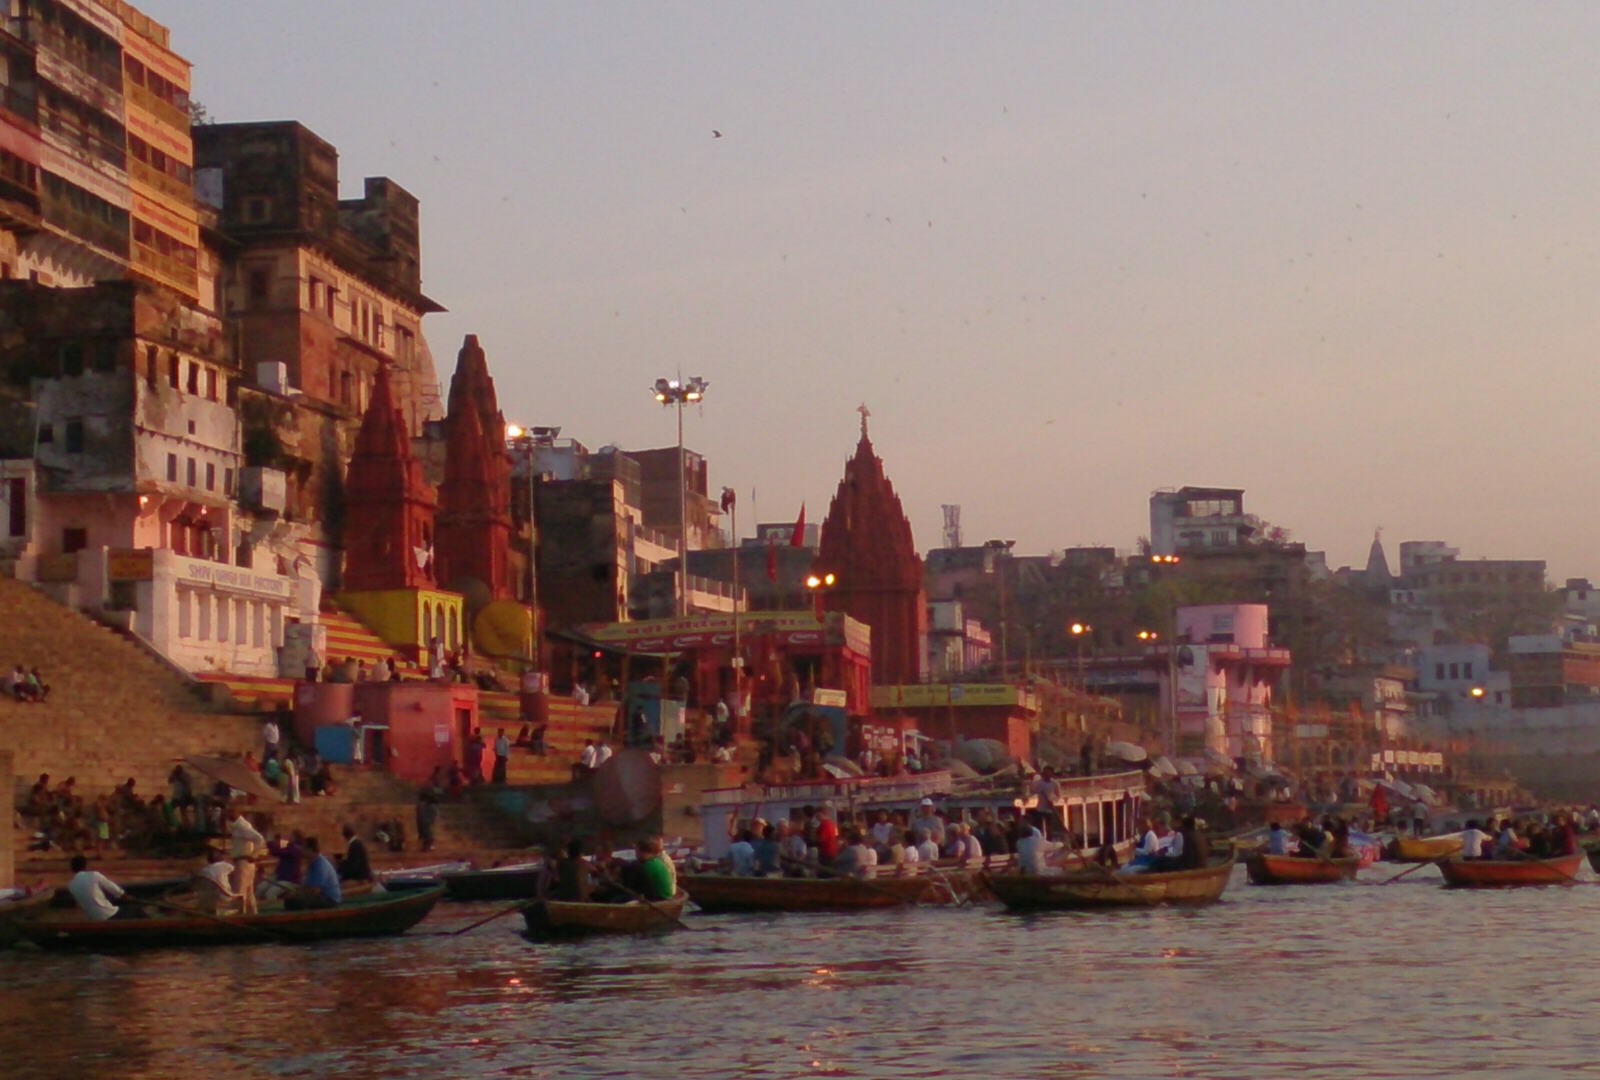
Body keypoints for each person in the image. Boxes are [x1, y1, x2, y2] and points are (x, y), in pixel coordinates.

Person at [66, 854, 129, 920]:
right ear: (85, 865)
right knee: (138, 911)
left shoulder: (71, 885)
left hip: (95, 918)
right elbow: (114, 889)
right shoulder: (94, 875)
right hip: (109, 914)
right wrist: (125, 896)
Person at [291, 837, 342, 909]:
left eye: (304, 848)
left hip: (330, 900)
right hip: (320, 897)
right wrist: (296, 890)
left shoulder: (320, 864)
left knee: (294, 903)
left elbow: (316, 890)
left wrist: (299, 894)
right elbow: (307, 886)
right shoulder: (312, 863)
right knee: (290, 901)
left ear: (310, 850)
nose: (302, 851)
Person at [195, 848, 239, 913]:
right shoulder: (224, 865)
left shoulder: (204, 870)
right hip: (224, 894)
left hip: (209, 895)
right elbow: (236, 868)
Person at [416, 784, 439, 853]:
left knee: (428, 835)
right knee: (427, 835)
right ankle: (426, 847)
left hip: (425, 821)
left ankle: (426, 847)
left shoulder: (429, 806)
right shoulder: (423, 806)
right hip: (425, 821)